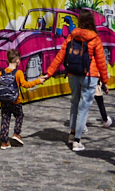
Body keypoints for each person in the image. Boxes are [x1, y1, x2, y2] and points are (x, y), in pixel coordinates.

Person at [42, 9, 109, 152]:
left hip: (72, 73)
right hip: (89, 76)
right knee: (83, 108)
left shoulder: (72, 36)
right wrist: (105, 81)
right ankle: (77, 141)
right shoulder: (95, 38)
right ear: (91, 21)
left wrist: (49, 73)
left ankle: (72, 135)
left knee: (74, 103)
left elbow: (60, 55)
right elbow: (101, 62)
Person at [0, 49, 41, 149]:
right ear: (17, 61)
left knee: (5, 118)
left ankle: (4, 142)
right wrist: (38, 81)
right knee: (19, 115)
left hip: (4, 101)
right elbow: (26, 84)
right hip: (15, 100)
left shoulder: (1, 72)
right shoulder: (18, 73)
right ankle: (16, 134)